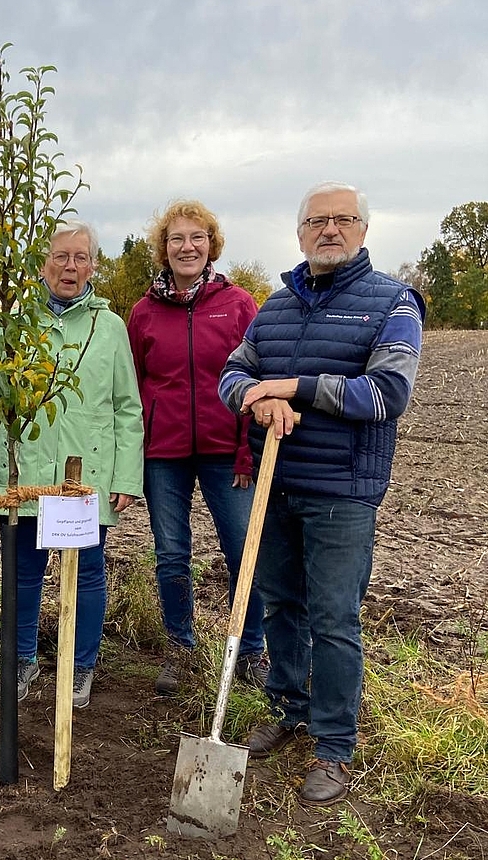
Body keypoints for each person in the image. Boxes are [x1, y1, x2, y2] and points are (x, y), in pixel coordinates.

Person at [219, 181, 425, 805]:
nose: (328, 230)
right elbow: (233, 374)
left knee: (334, 618)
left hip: (342, 492)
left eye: (342, 220)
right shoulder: (275, 306)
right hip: (276, 484)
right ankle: (288, 707)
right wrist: (256, 405)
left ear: (363, 229)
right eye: (316, 221)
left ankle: (334, 744)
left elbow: (386, 395)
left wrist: (292, 388)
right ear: (300, 231)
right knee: (282, 603)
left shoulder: (393, 304)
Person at [0, 221, 145, 709]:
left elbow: (126, 407)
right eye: (60, 256)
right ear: (42, 262)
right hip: (26, 474)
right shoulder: (14, 326)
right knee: (23, 571)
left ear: (94, 264)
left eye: (81, 257)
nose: (70, 267)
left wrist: (124, 477)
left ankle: (78, 668)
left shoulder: (109, 327)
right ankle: (22, 660)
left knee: (86, 572)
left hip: (85, 477)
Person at [128, 200, 268, 696]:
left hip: (226, 451)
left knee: (242, 551)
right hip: (164, 453)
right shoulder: (143, 313)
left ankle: (250, 651)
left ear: (212, 244)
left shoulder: (239, 305)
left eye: (197, 237)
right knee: (171, 553)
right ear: (163, 249)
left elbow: (257, 380)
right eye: (176, 239)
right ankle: (181, 648)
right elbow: (135, 384)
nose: (187, 247)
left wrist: (247, 450)